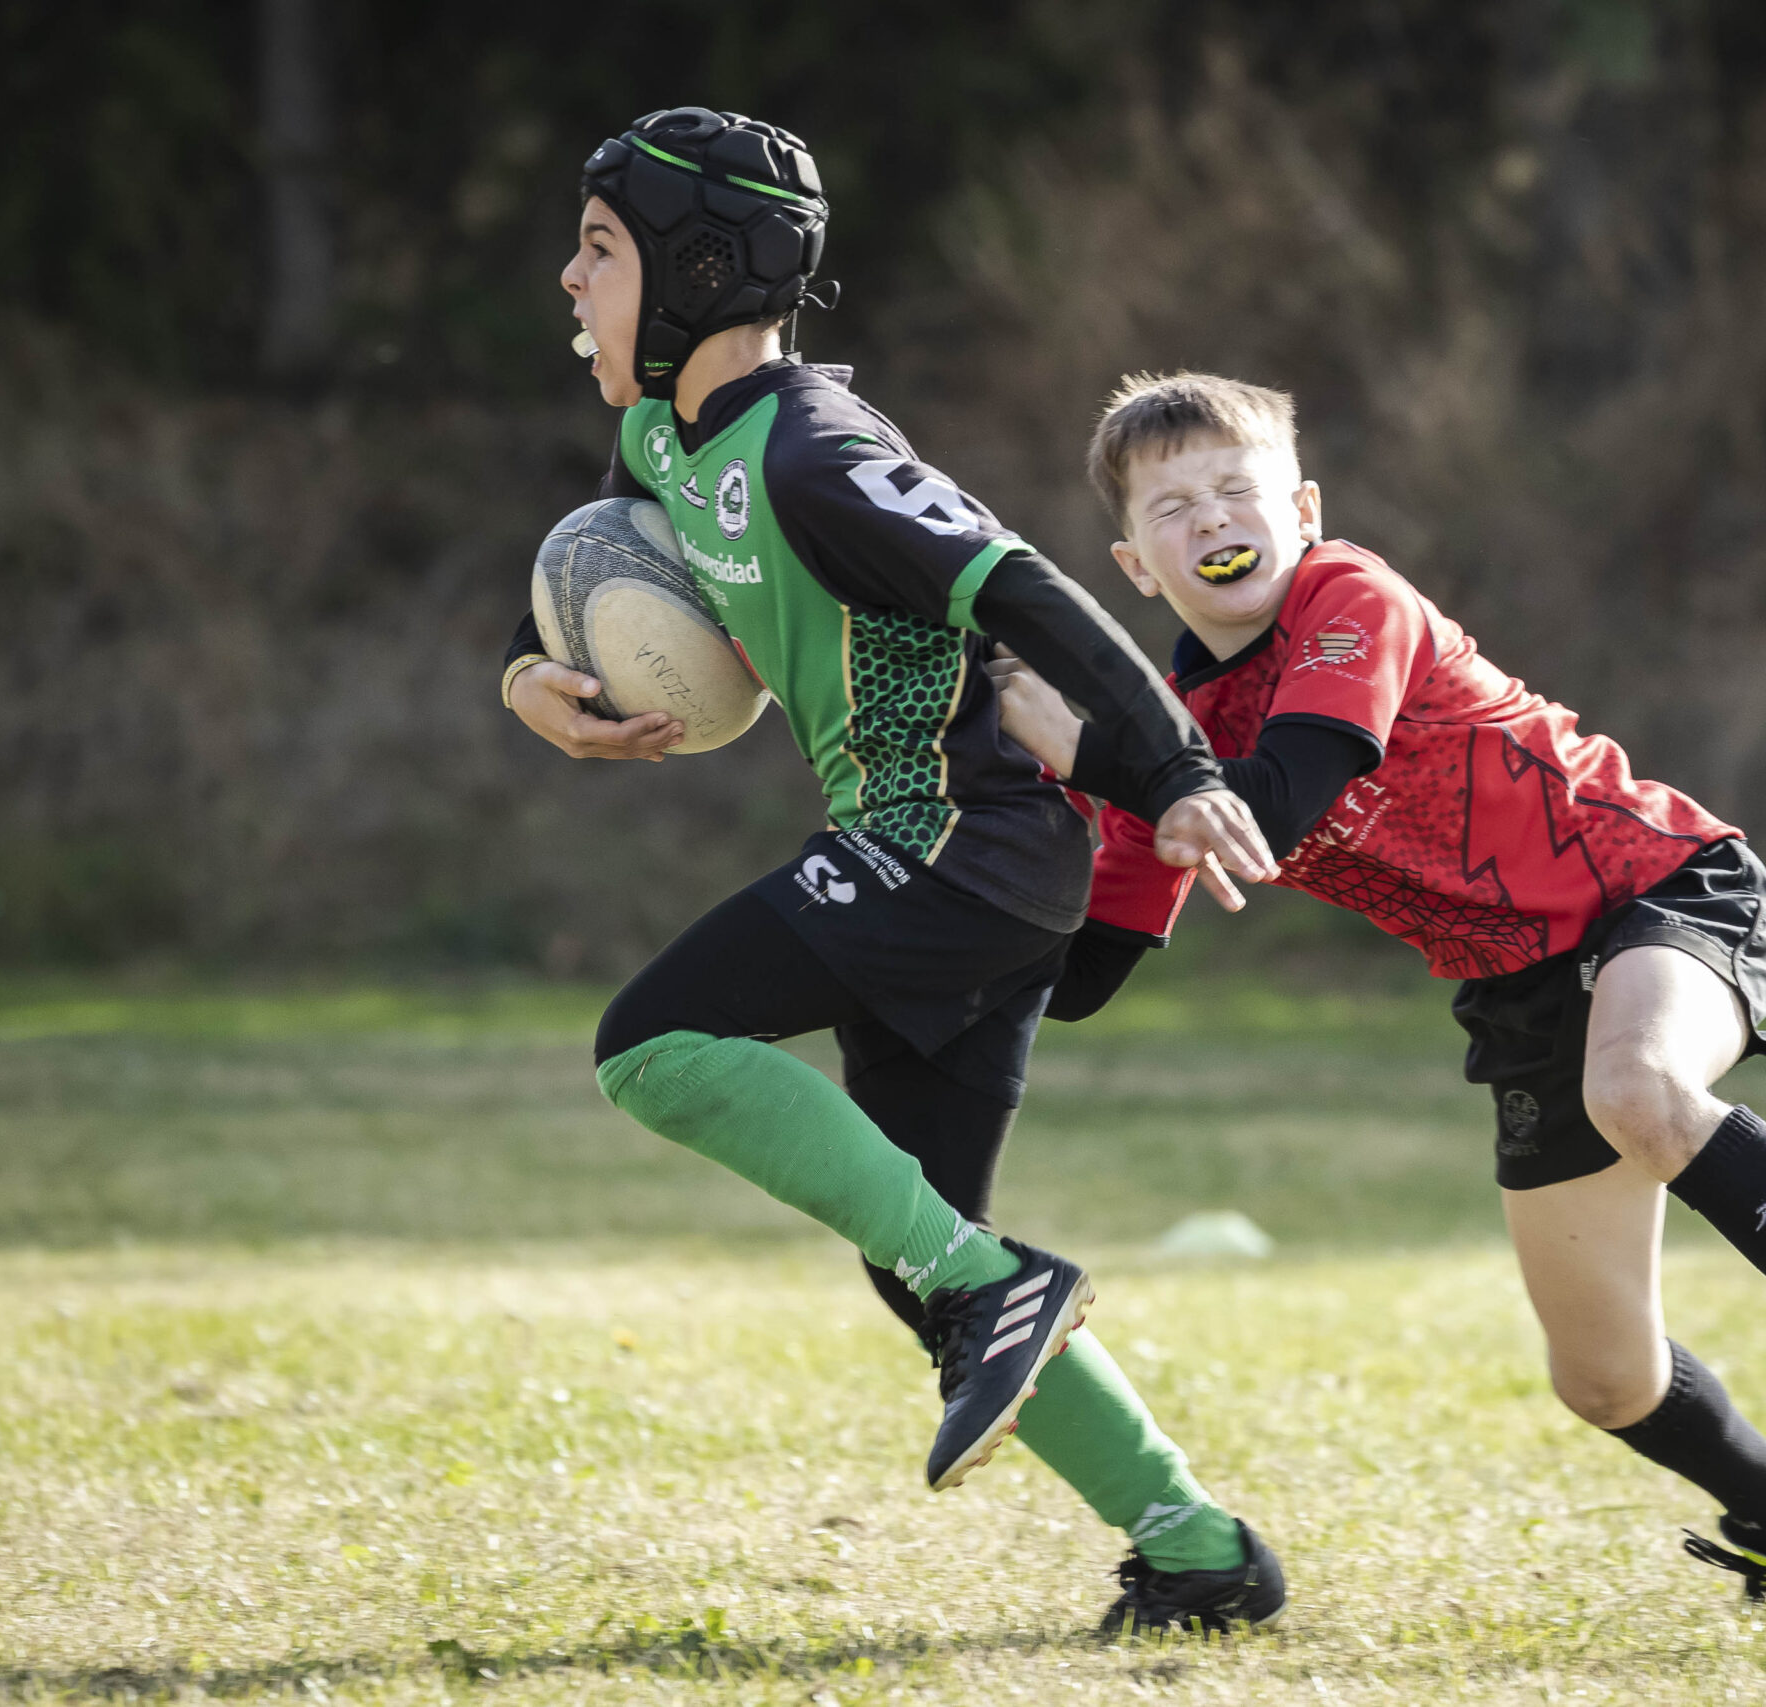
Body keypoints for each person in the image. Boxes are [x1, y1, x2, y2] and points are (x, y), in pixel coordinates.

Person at [991, 371, 1766, 1611]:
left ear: (1301, 509)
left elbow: (1286, 795)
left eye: (1234, 490)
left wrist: (1087, 750)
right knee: (1601, 1379)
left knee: (1638, 1085)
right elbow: (1087, 973)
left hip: (1657, 890)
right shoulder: (1168, 733)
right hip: (1517, 997)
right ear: (1135, 566)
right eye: (1172, 510)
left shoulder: (1343, 597)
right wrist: (910, 949)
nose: (1211, 521)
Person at [501, 111, 1287, 1634]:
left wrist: (1176, 764)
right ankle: (1196, 1546)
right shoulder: (669, 435)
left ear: (697, 274)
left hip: (959, 849)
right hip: (966, 868)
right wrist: (526, 680)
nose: (567, 277)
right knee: (922, 1254)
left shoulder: (821, 451)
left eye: (599, 250)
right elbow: (606, 564)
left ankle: (996, 1288)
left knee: (653, 1043)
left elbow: (1028, 587)